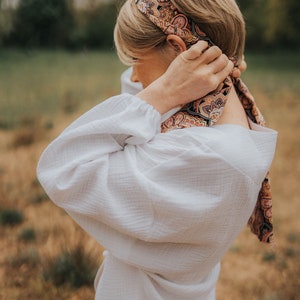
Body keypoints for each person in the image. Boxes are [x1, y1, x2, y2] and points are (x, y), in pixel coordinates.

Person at [37, 0, 277, 299]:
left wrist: (164, 90)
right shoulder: (213, 118)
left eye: (135, 58)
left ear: (179, 50)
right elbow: (140, 105)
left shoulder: (198, 155)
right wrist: (176, 82)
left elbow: (62, 169)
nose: (134, 76)